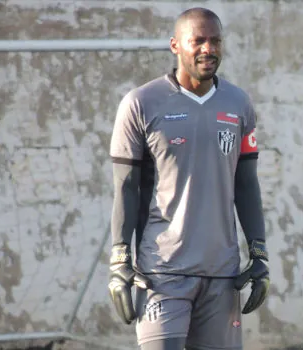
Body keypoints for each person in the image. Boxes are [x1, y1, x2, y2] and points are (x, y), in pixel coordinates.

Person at [108, 7, 270, 350]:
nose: (207, 49)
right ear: (175, 45)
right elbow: (126, 187)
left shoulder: (239, 104)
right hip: (161, 272)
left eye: (215, 41)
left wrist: (259, 254)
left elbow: (246, 184)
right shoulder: (141, 103)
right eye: (197, 40)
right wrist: (119, 259)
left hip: (222, 274)